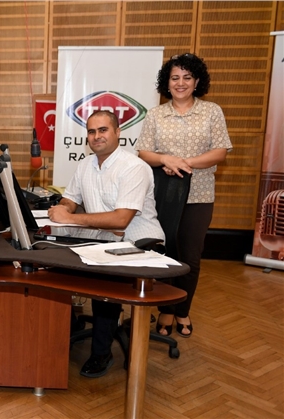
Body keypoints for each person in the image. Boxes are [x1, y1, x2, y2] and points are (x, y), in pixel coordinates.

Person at [48, 110, 164, 378]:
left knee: (104, 280)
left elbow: (121, 220)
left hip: (138, 242)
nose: (96, 136)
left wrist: (71, 218)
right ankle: (70, 326)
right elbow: (70, 198)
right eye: (91, 131)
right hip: (100, 239)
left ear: (118, 132)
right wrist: (63, 208)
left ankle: (101, 353)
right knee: (53, 261)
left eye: (103, 130)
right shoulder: (85, 165)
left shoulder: (134, 167)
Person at [136, 53, 232, 338]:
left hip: (198, 196)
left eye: (187, 77)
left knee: (191, 257)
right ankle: (166, 309)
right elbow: (144, 152)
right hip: (162, 196)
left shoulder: (211, 111)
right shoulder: (155, 114)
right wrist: (165, 158)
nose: (180, 83)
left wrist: (183, 163)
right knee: (166, 253)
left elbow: (220, 152)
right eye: (175, 78)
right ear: (167, 83)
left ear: (197, 81)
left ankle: (182, 310)